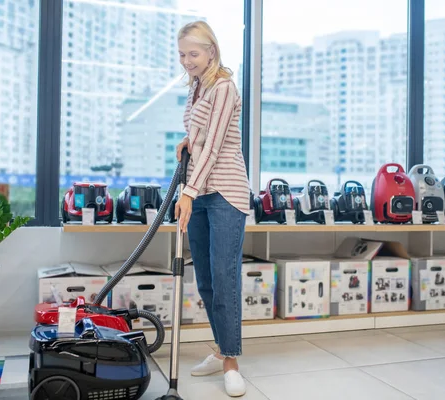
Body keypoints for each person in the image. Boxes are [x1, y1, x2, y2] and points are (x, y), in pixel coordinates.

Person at [173, 20, 250, 398]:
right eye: (183, 54)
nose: (187, 60)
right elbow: (202, 138)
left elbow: (217, 147)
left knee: (224, 279)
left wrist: (186, 192)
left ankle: (232, 362)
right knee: (204, 280)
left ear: (211, 52)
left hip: (225, 195)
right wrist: (188, 141)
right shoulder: (198, 88)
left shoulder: (223, 87)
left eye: (194, 53)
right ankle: (220, 351)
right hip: (199, 191)